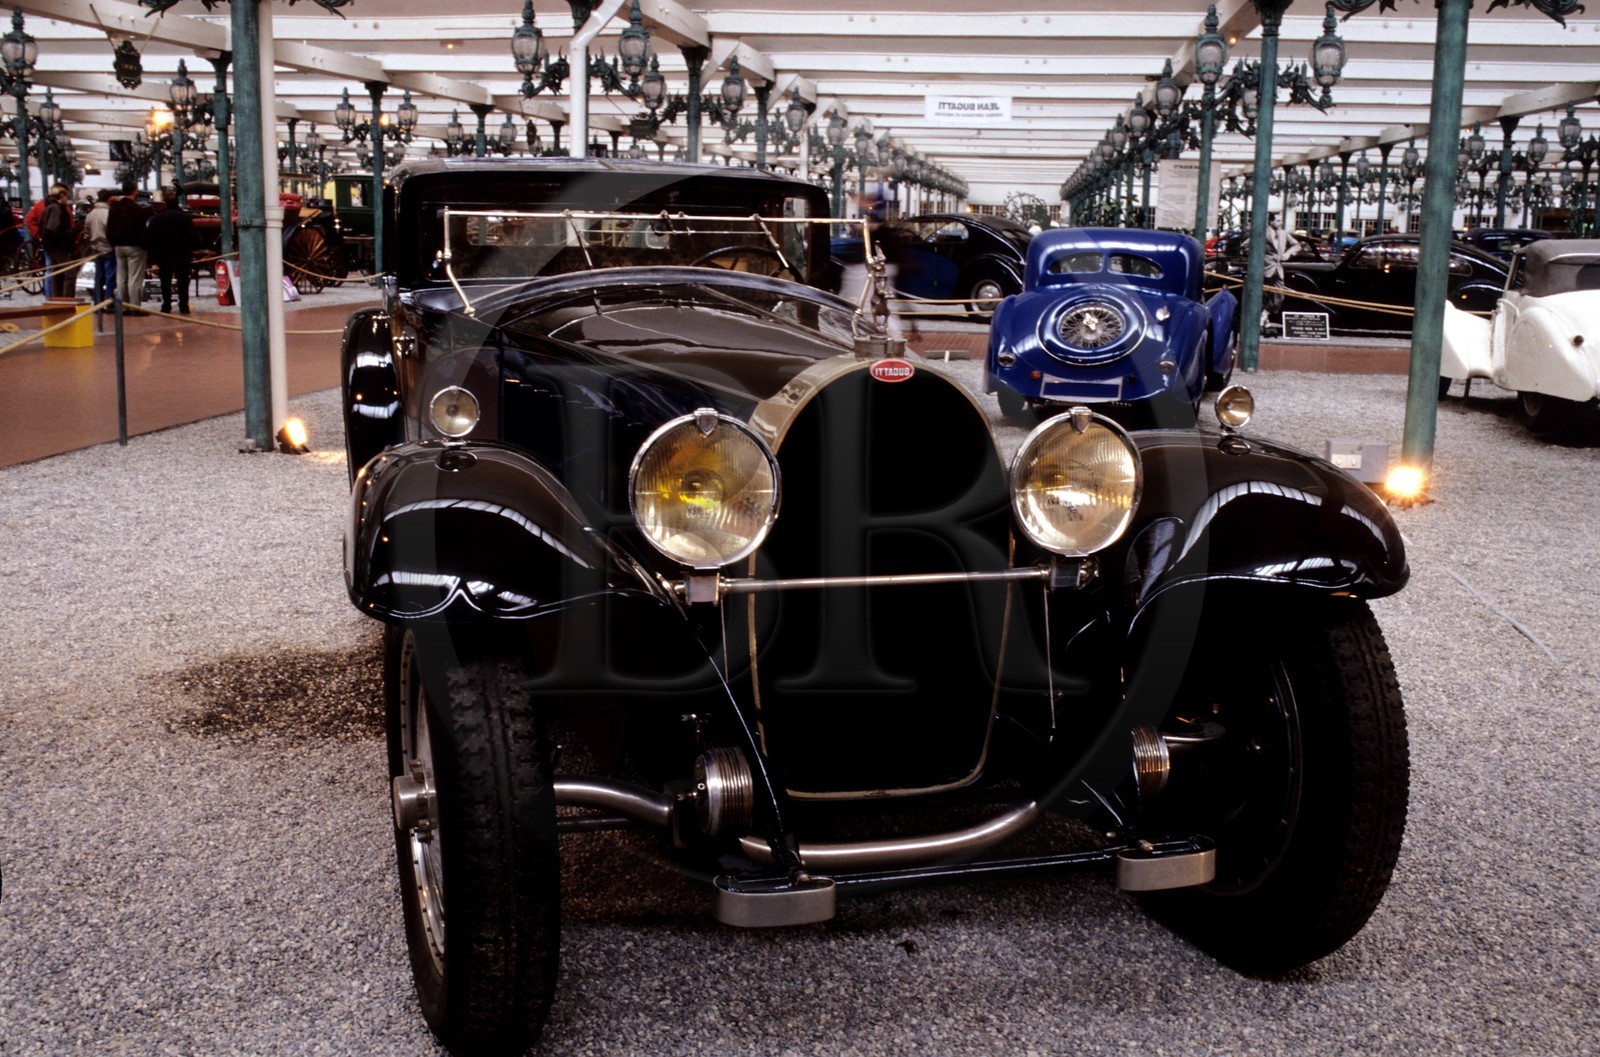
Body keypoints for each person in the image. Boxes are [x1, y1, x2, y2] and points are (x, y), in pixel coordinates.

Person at [145, 186, 197, 315]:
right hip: (182, 253)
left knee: (165, 281)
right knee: (183, 281)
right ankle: (184, 305)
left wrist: (154, 253)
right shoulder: (185, 217)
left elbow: (151, 237)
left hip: (164, 254)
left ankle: (166, 305)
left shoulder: (157, 219)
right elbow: (192, 236)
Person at [107, 180, 149, 313]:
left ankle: (123, 306)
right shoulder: (136, 208)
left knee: (121, 277)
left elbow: (109, 228)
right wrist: (144, 245)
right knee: (134, 277)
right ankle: (134, 307)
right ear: (135, 191)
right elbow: (141, 229)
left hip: (118, 246)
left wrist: (113, 243)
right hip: (135, 246)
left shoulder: (115, 207)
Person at [1261, 213, 1300, 332]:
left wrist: (1288, 253)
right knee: (1264, 295)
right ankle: (1263, 321)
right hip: (1265, 268)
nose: (1280, 223)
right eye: (1277, 220)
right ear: (1271, 222)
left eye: (1280, 220)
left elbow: (1297, 245)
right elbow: (1246, 246)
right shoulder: (1263, 232)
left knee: (1279, 295)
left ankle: (1264, 314)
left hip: (1278, 269)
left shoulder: (1283, 234)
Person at [39, 184, 77, 299]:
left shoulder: (49, 207)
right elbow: (53, 227)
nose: (67, 199)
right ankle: (67, 299)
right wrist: (66, 236)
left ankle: (56, 297)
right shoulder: (57, 208)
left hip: (51, 244)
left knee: (57, 271)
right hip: (57, 245)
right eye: (66, 196)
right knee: (70, 272)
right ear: (62, 195)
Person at [83, 188, 114, 310]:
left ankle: (97, 302)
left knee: (98, 277)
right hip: (108, 248)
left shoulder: (91, 214)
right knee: (110, 276)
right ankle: (109, 302)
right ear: (109, 199)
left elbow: (86, 232)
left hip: (95, 248)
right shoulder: (108, 213)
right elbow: (111, 231)